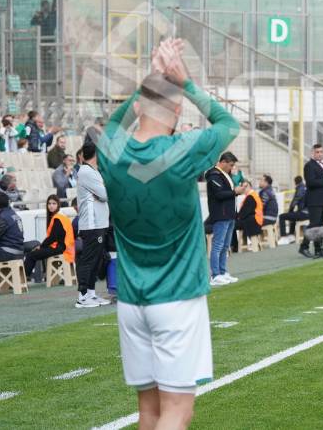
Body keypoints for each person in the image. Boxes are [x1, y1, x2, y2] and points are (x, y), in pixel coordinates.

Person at [95, 38, 239, 428]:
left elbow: (114, 124)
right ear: (177, 111)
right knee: (176, 411)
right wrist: (185, 82)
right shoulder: (183, 149)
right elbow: (229, 124)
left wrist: (151, 79)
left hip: (130, 299)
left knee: (148, 411)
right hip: (177, 298)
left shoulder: (110, 151)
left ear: (139, 105)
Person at [75, 142, 111, 308]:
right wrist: (103, 191)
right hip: (91, 223)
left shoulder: (93, 171)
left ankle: (90, 293)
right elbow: (104, 194)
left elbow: (103, 194)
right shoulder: (86, 172)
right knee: (89, 260)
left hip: (99, 222)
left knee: (96, 260)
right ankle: (82, 297)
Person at [206, 152, 247, 283]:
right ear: (223, 162)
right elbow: (219, 194)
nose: (231, 168)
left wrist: (237, 189)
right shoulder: (213, 174)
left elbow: (228, 192)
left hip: (229, 214)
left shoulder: (225, 174)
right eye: (230, 165)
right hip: (220, 214)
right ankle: (215, 275)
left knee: (225, 246)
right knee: (217, 245)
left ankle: (222, 272)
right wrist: (235, 191)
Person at [24, 195, 75, 282]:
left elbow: (53, 237)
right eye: (49, 204)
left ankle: (23, 278)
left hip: (60, 248)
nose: (51, 206)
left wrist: (41, 246)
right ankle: (47, 276)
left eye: (54, 203)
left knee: (31, 255)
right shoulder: (62, 216)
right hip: (65, 247)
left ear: (58, 204)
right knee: (39, 252)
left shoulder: (57, 218)